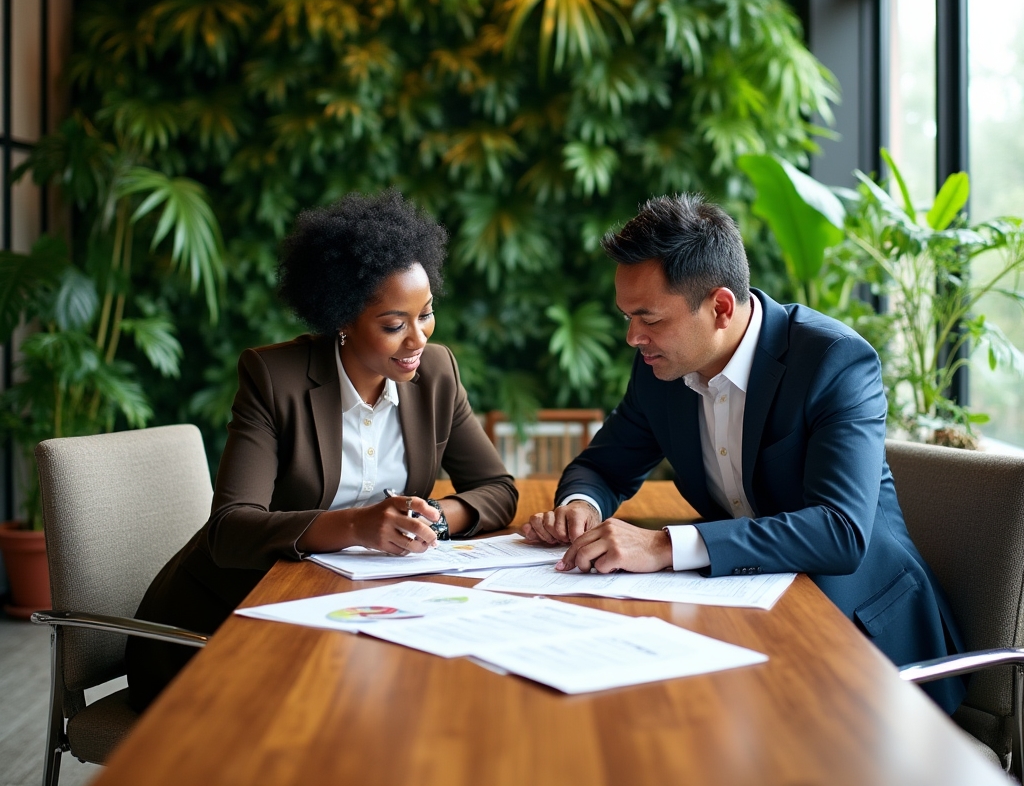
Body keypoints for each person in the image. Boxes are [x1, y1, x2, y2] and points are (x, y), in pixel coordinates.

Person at [522, 193, 965, 714]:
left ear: (721, 308)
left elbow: (840, 531)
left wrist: (664, 546)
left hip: (864, 641)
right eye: (627, 317)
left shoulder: (833, 361)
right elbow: (602, 466)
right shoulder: (660, 368)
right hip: (748, 613)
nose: (632, 337)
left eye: (649, 319)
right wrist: (581, 506)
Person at [127, 190, 518, 711]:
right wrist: (357, 526)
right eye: (394, 325)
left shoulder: (436, 373)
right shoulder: (275, 379)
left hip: (344, 610)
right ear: (343, 318)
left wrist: (434, 518)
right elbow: (230, 529)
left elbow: (497, 489)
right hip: (220, 629)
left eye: (426, 314)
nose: (418, 339)